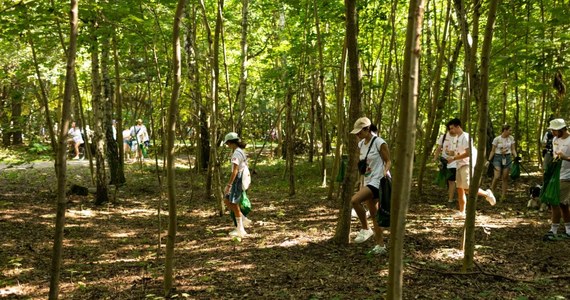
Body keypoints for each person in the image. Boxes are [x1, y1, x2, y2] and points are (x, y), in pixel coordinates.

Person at [350, 117, 391, 255]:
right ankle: (380, 245)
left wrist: (385, 172)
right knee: (374, 214)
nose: (357, 135)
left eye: (359, 132)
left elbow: (388, 161)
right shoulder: (361, 144)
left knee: (355, 200)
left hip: (379, 180)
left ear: (367, 129)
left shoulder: (379, 142)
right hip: (368, 180)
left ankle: (366, 229)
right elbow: (364, 165)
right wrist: (360, 181)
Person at [446, 118, 496, 218]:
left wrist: (454, 158)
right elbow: (457, 151)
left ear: (458, 126)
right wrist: (449, 153)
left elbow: (468, 153)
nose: (451, 131)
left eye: (452, 128)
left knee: (468, 187)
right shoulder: (457, 138)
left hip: (467, 164)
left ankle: (487, 194)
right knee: (460, 189)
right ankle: (462, 212)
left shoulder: (465, 137)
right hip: (459, 164)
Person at [543, 118, 570, 240]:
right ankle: (568, 230)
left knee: (556, 201)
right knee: (562, 204)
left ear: (561, 129)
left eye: (554, 130)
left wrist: (565, 158)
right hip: (556, 174)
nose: (552, 133)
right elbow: (555, 154)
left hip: (567, 176)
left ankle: (553, 230)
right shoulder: (555, 139)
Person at [223, 132, 252, 237]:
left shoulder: (236, 154)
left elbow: (235, 171)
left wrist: (229, 185)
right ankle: (242, 222)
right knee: (228, 200)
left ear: (231, 143)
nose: (227, 146)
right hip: (242, 179)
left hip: (238, 179)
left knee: (233, 202)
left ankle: (240, 228)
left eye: (227, 144)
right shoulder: (240, 151)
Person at [488, 124, 518, 201]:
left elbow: (513, 149)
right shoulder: (496, 139)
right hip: (498, 157)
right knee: (497, 176)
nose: (511, 132)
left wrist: (516, 157)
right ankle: (492, 192)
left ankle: (503, 196)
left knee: (505, 177)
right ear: (505, 130)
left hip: (507, 157)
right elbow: (493, 150)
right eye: (509, 130)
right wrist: (489, 160)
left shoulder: (511, 138)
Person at [433, 124, 457, 204]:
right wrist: (435, 158)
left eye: (452, 128)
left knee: (451, 180)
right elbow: (439, 148)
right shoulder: (443, 137)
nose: (451, 130)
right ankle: (451, 192)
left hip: (455, 161)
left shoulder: (460, 137)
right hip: (444, 161)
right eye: (449, 128)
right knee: (447, 179)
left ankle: (450, 199)